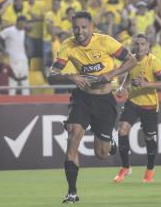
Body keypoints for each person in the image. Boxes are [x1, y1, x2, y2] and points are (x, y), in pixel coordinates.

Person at [47, 11, 137, 204]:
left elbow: (132, 60)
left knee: (102, 154)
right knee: (73, 134)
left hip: (104, 101)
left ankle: (109, 143)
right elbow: (51, 75)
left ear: (92, 27)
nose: (79, 31)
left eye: (83, 27)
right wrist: (70, 76)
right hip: (82, 99)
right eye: (76, 28)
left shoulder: (105, 42)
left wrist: (112, 73)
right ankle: (72, 192)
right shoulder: (67, 46)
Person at [113, 34, 161, 183]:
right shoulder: (130, 60)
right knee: (122, 129)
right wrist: (122, 88)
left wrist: (146, 85)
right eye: (137, 44)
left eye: (142, 44)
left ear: (148, 46)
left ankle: (150, 169)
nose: (139, 47)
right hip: (133, 102)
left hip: (149, 105)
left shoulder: (154, 62)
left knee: (149, 138)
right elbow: (129, 77)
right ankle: (125, 167)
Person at [0, 15, 29, 95]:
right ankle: (11, 98)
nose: (24, 25)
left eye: (25, 24)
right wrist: (3, 50)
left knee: (25, 80)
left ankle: (26, 98)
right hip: (11, 59)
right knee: (12, 80)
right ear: (18, 22)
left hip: (23, 59)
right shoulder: (9, 31)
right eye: (23, 24)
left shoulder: (24, 32)